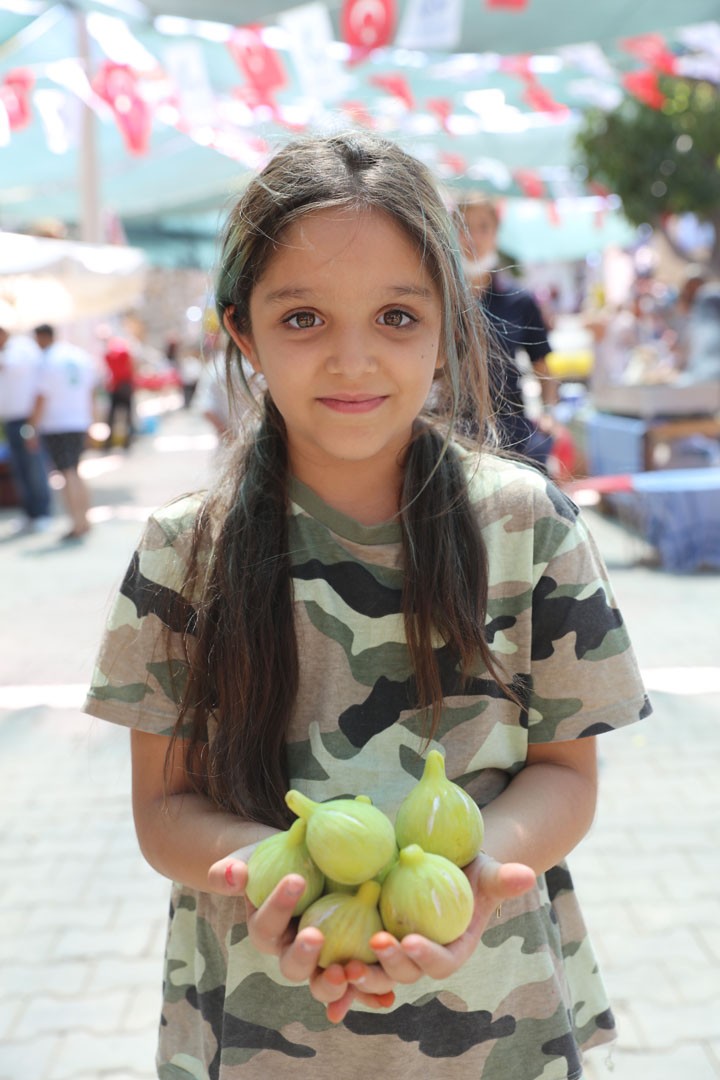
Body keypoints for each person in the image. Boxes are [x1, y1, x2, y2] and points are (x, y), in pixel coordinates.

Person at [84, 133, 651, 1080]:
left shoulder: (529, 525)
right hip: (260, 1023)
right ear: (241, 331)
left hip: (497, 1020)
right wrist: (273, 870)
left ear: (448, 326)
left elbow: (567, 775)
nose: (353, 361)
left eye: (396, 315)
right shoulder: (185, 549)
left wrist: (478, 871)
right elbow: (164, 809)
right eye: (303, 317)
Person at [454, 195, 559, 466]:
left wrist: (548, 414)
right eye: (464, 227)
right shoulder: (436, 300)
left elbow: (542, 365)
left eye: (483, 227)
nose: (472, 238)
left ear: (496, 234)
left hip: (512, 436)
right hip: (451, 434)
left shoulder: (520, 300)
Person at [32, 324, 101, 541]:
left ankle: (77, 522)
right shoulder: (80, 357)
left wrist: (31, 426)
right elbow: (92, 393)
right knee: (76, 471)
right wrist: (92, 421)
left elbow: (42, 397)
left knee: (67, 472)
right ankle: (84, 520)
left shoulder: (48, 360)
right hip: (79, 421)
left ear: (43, 337)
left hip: (57, 423)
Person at [0, 323, 53, 533]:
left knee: (33, 467)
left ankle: (42, 512)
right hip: (11, 420)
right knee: (20, 469)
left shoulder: (20, 349)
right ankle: (30, 512)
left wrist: (33, 422)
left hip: (26, 419)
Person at [103, 336, 135, 449]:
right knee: (127, 416)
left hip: (116, 387)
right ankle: (128, 440)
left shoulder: (109, 355)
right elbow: (131, 368)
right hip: (125, 386)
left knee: (112, 416)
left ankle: (109, 442)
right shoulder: (124, 353)